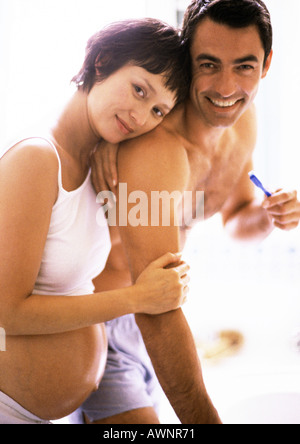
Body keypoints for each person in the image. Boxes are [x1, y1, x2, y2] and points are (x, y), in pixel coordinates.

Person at [78, 0, 300, 425]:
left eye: (244, 66)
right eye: (209, 64)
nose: (226, 87)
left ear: (266, 65)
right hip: (100, 327)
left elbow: (235, 217)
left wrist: (268, 216)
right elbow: (154, 304)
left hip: (151, 330)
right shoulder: (156, 147)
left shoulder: (242, 122)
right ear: (187, 58)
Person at [0, 19, 192, 424]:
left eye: (158, 109)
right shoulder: (36, 158)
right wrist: (136, 298)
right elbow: (7, 311)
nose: (142, 116)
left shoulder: (92, 162)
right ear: (102, 62)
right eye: (139, 90)